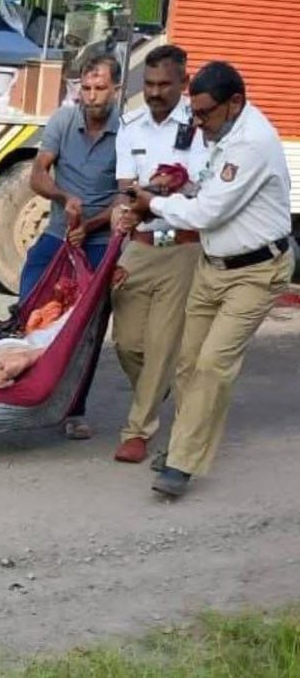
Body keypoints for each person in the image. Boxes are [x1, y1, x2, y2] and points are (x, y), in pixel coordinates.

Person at [128, 61, 294, 498]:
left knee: (213, 364)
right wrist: (170, 188)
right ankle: (186, 440)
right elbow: (202, 191)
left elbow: (208, 212)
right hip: (213, 265)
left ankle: (182, 462)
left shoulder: (252, 143)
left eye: (204, 113)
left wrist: (153, 205)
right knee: (187, 362)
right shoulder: (223, 132)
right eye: (195, 113)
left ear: (235, 103)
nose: (197, 122)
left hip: (256, 272)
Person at [110, 45, 207, 465]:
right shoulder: (130, 127)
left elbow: (202, 190)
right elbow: (126, 189)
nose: (154, 92)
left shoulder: (203, 127)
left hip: (182, 247)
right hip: (140, 247)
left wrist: (168, 187)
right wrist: (127, 205)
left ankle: (137, 431)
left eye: (164, 84)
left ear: (183, 84)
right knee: (127, 343)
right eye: (148, 84)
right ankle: (156, 385)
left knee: (162, 343)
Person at [18, 53, 121, 439]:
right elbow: (37, 173)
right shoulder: (63, 120)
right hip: (57, 235)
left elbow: (125, 199)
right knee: (32, 308)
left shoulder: (127, 132)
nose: (92, 97)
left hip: (99, 243)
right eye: (86, 89)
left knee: (87, 328)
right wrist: (64, 198)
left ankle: (74, 409)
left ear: (116, 90)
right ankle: (30, 390)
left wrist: (92, 223)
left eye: (100, 89)